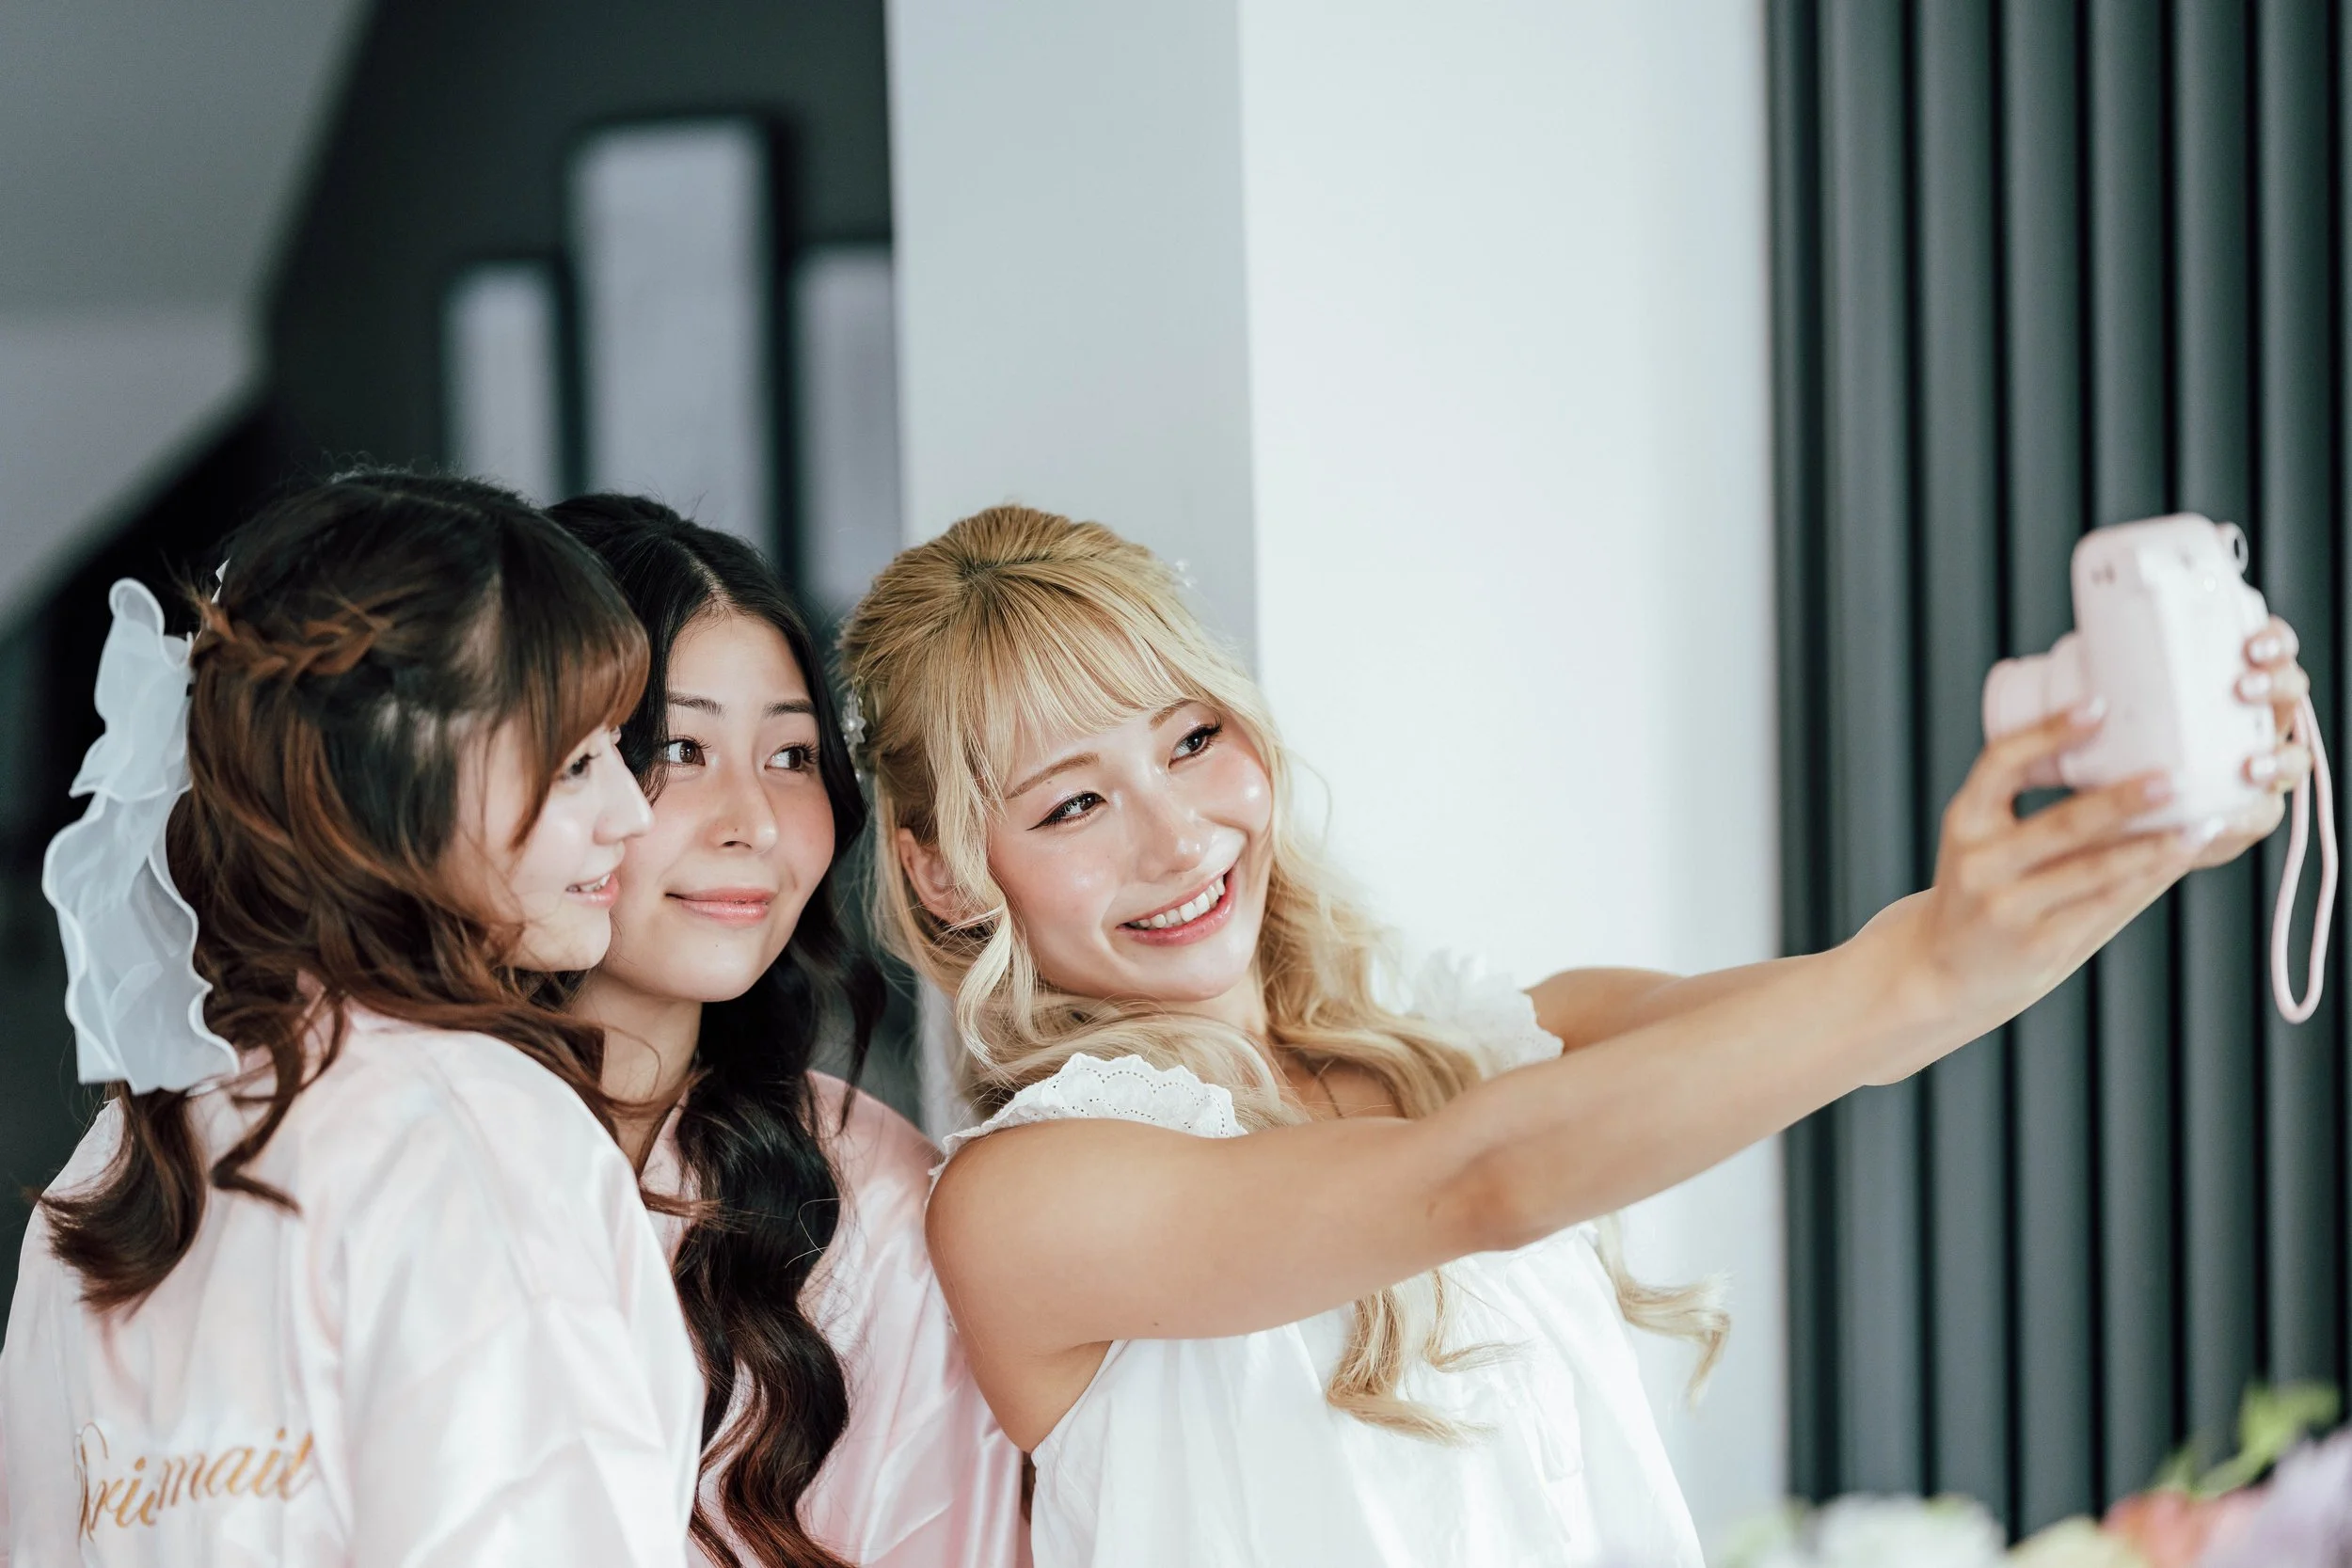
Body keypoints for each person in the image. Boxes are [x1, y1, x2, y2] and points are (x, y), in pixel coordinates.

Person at [837, 505, 2313, 1568]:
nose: (1179, 836)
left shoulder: (1487, 1030)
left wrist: (2147, 830)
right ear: (946, 868)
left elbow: (1868, 1014)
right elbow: (1470, 1185)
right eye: (1072, 802)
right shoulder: (1029, 1198)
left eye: (1191, 739)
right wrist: (1928, 955)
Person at [1, 474, 703, 1564]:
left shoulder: (111, 1165)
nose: (629, 810)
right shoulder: (476, 1132)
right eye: (575, 763)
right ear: (396, 788)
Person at [550, 496, 1025, 1568]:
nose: (754, 821)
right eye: (677, 746)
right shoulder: (345, 1130)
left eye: (792, 755)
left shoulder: (863, 1186)